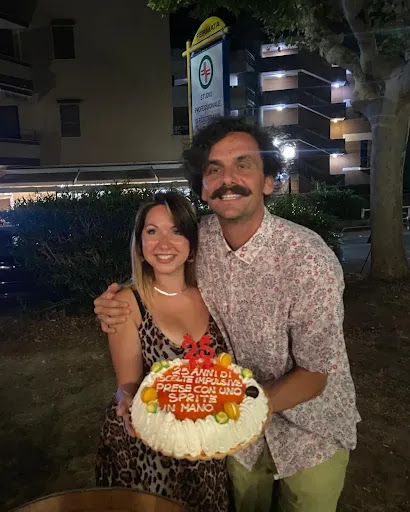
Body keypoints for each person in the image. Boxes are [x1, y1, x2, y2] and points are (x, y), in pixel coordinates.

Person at [94, 117, 360, 512]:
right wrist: (119, 301)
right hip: (237, 443)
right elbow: (161, 259)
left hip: (310, 431)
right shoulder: (199, 241)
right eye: (214, 169)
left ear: (268, 181)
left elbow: (315, 373)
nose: (228, 179)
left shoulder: (308, 260)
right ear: (203, 188)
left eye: (243, 164)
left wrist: (232, 411)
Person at [95, 191, 229, 512]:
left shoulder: (212, 295)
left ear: (192, 246)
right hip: (150, 449)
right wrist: (127, 400)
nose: (163, 244)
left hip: (205, 445)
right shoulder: (127, 303)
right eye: (152, 231)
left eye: (176, 231)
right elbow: (127, 385)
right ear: (140, 246)